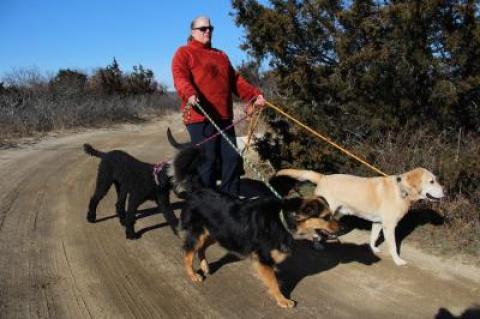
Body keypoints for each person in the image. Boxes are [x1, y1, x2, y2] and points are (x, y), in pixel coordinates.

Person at [171, 15, 265, 196]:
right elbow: (179, 77)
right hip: (200, 117)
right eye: (203, 29)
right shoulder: (184, 52)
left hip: (223, 118)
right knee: (208, 162)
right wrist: (190, 93)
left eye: (210, 28)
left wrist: (254, 95)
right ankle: (206, 204)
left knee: (232, 159)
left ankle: (229, 203)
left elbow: (236, 81)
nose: (208, 31)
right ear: (193, 32)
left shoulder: (221, 55)